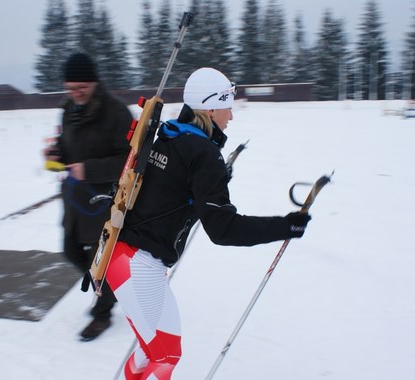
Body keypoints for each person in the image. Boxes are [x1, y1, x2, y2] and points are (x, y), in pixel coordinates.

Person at [105, 67, 312, 379]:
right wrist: (285, 226)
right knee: (166, 356)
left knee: (155, 351)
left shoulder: (169, 134)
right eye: (229, 106)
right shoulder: (204, 154)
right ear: (212, 107)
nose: (231, 115)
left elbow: (171, 185)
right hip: (138, 266)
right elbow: (223, 229)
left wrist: (208, 185)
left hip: (121, 257)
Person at [44, 52, 133, 341]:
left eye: (81, 87)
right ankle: (110, 287)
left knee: (100, 261)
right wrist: (56, 152)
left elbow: (129, 159)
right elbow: (65, 141)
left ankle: (102, 312)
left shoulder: (117, 113)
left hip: (104, 203)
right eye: (70, 88)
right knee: (70, 250)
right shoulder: (69, 108)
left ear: (94, 82)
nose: (75, 93)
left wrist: (89, 169)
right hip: (74, 199)